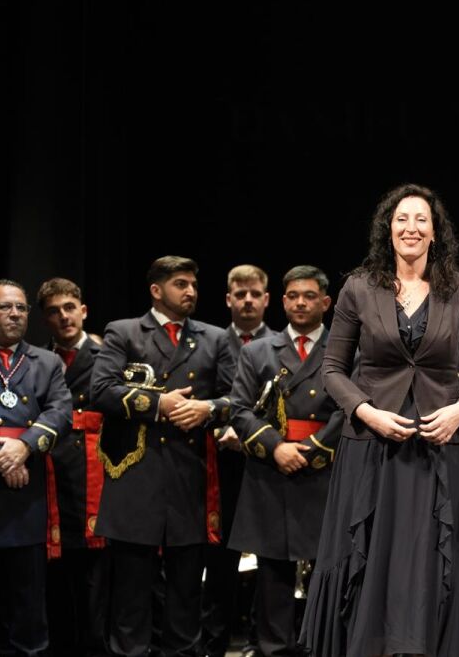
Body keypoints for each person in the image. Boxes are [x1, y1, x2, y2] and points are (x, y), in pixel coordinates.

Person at [299, 184, 459, 657]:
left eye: (422, 220)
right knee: (369, 556)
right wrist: (366, 412)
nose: (411, 228)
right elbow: (332, 369)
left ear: (435, 232)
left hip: (437, 446)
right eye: (402, 219)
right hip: (371, 443)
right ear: (388, 228)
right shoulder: (359, 287)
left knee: (427, 560)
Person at [91, 256, 236, 657]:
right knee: (131, 597)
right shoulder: (124, 332)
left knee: (186, 596)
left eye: (193, 284)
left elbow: (237, 399)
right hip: (136, 478)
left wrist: (208, 408)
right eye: (180, 284)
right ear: (156, 290)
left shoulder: (214, 337)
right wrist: (159, 404)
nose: (190, 291)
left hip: (189, 479)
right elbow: (100, 390)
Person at [228, 265, 341, 657]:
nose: (300, 303)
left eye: (309, 296)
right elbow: (240, 409)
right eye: (293, 296)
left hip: (324, 471)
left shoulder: (346, 351)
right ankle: (274, 649)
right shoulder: (257, 351)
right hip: (270, 470)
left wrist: (313, 449)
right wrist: (276, 447)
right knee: (272, 571)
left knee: (327, 569)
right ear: (282, 301)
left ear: (326, 302)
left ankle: (321, 646)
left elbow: (352, 408)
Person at [0, 279, 72, 657]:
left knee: (27, 608)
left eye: (21, 307)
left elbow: (61, 411)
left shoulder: (46, 362)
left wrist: (24, 446)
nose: (15, 314)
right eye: (5, 307)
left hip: (27, 496)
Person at [204, 263, 275, 657]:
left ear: (267, 299)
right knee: (220, 557)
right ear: (228, 299)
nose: (248, 301)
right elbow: (202, 394)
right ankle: (213, 641)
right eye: (240, 294)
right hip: (219, 462)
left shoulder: (281, 343)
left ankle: (259, 641)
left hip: (266, 461)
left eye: (255, 294)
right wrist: (220, 429)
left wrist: (249, 433)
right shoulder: (209, 342)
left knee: (269, 558)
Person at [36, 277, 108, 656]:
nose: (63, 317)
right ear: (45, 319)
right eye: (54, 312)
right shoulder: (37, 360)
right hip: (51, 474)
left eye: (69, 308)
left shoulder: (108, 355)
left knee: (96, 575)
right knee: (56, 573)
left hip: (96, 473)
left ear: (83, 310)